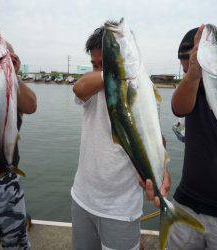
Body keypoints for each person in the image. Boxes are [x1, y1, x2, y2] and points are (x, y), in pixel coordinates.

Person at [71, 23, 170, 250]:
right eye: (94, 65)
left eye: (103, 64)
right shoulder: (92, 89)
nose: (97, 70)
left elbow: (153, 136)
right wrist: (115, 72)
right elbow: (79, 88)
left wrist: (161, 170)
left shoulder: (141, 86)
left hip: (121, 209)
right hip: (83, 199)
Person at [167, 25, 217, 249]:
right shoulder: (193, 86)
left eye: (186, 59)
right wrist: (194, 72)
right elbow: (178, 108)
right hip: (188, 199)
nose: (184, 65)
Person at [0, 42, 37, 249]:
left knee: (16, 243)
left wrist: (13, 75)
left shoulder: (9, 86)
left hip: (6, 182)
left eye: (11, 55)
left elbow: (31, 106)